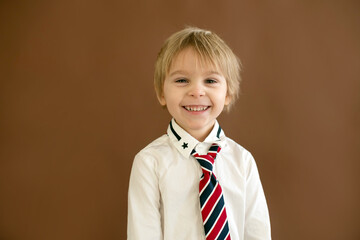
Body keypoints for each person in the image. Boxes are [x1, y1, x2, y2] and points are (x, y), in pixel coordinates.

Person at [127, 26, 271, 240]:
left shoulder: (243, 162)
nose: (196, 91)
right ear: (161, 93)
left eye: (210, 81)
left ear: (228, 93)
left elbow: (257, 234)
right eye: (181, 80)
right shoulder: (150, 163)